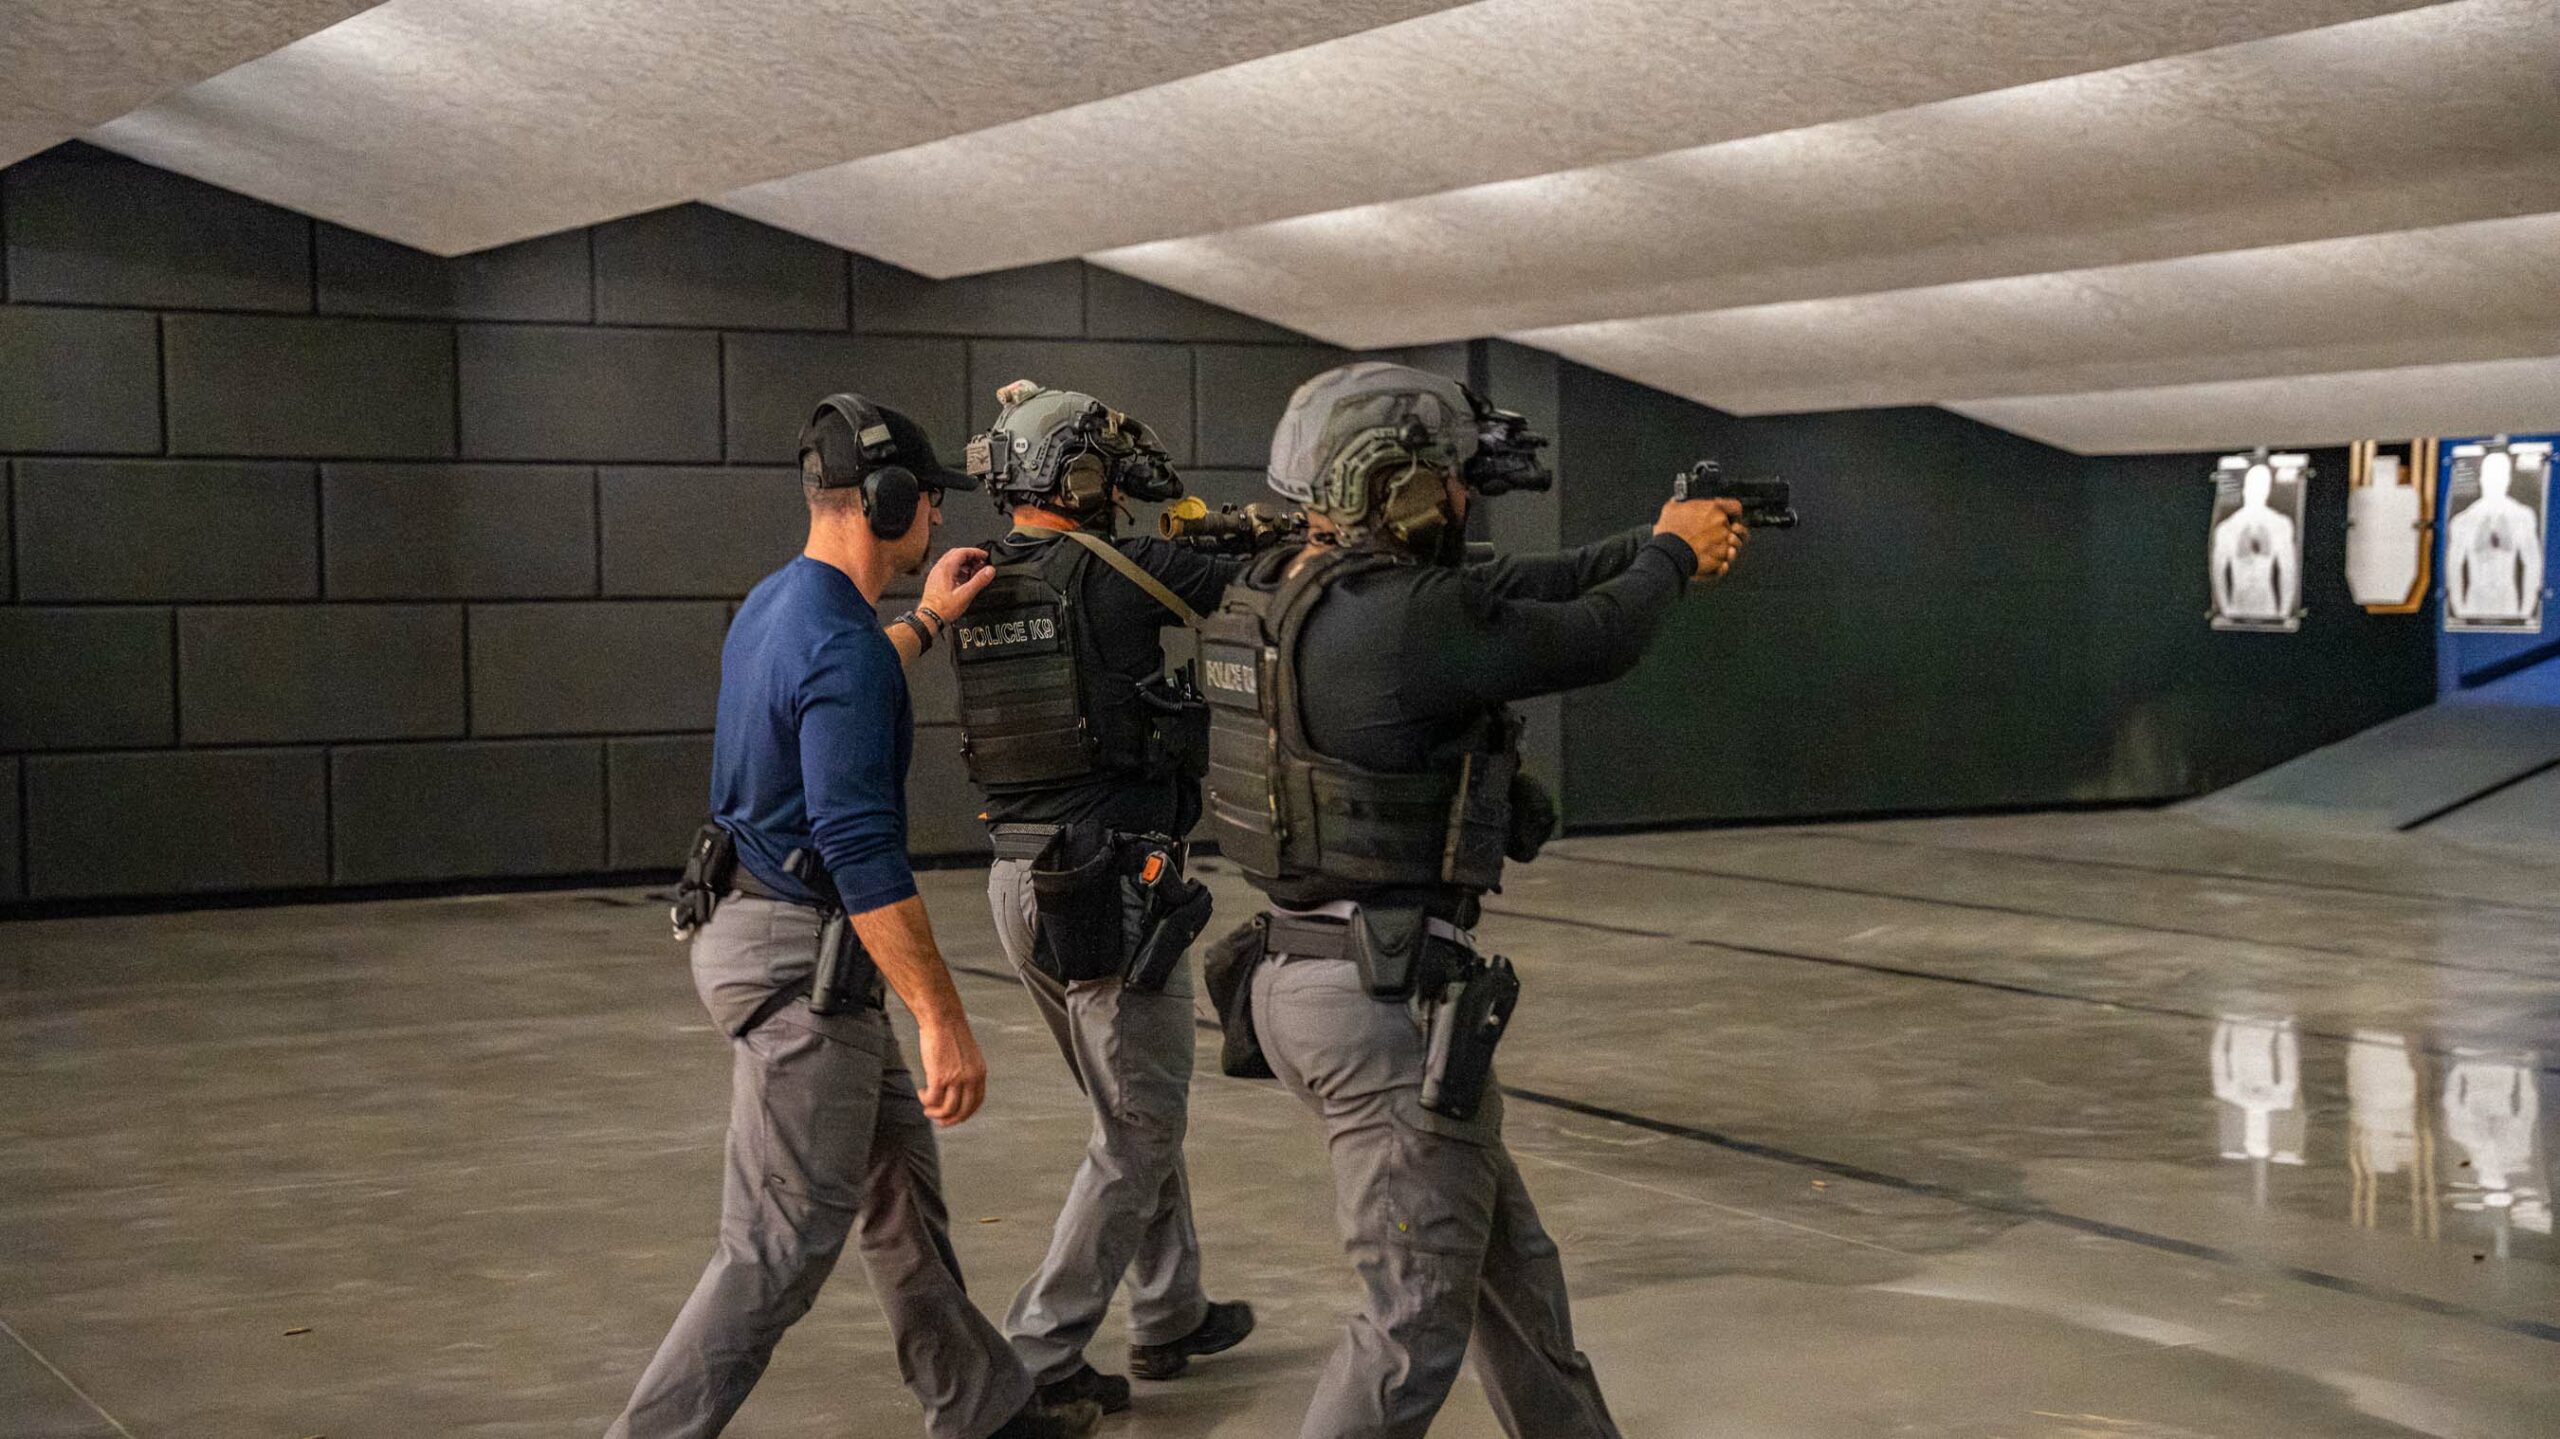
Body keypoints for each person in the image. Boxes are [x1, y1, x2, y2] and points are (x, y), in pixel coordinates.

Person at [1197, 362, 1747, 1438]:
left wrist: (1657, 539)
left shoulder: (1290, 591)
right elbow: (1596, 636)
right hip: (1380, 1006)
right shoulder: (1408, 620)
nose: (1458, 498)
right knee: (1409, 1328)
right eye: (1446, 479)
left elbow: (1535, 581)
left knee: (1512, 1280)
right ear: (1390, 485)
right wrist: (1674, 557)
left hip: (1317, 977)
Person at [606, 394, 1098, 1439]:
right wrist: (943, 1017)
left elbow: (848, 672)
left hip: (763, 930)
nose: (937, 519)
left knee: (901, 1201)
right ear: (890, 500)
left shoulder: (781, 605)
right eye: (929, 501)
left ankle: (987, 1412)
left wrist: (931, 617)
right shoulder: (841, 650)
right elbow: (861, 852)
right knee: (776, 1248)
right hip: (800, 970)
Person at [950, 380, 1257, 1415]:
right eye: (1105, 471)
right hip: (1108, 883)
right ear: (1078, 476)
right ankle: (1039, 1352)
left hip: (1020, 881)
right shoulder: (1122, 570)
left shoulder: (980, 576)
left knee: (1130, 1106)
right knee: (1138, 1126)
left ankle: (1169, 1307)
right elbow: (1256, 582)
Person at [2446, 448, 2544, 623]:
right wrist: (2458, 608)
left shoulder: (2522, 516)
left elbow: (2533, 563)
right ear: (2482, 479)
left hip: (2507, 601)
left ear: (2508, 480)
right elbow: (2453, 565)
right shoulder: (2463, 520)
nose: (2495, 483)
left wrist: (2527, 610)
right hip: (2475, 601)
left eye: (2500, 477)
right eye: (2491, 477)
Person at [2211, 460, 2298, 623]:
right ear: (2245, 489)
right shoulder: (2227, 528)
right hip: (2237, 607)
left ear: (2268, 490)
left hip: (2267, 608)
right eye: (2254, 486)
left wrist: (2284, 612)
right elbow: (2217, 572)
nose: (2258, 492)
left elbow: (2289, 571)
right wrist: (2225, 609)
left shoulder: (2280, 524)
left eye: (2262, 486)